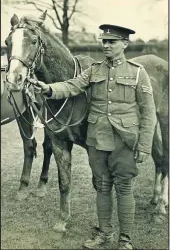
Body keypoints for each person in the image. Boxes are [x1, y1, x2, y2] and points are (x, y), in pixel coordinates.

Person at [30, 24, 156, 249]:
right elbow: (72, 86)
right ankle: (104, 233)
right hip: (97, 139)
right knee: (102, 185)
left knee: (124, 187)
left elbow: (148, 113)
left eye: (112, 42)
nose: (106, 45)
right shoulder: (94, 70)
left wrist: (144, 146)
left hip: (124, 140)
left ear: (125, 44)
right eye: (104, 41)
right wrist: (48, 89)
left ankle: (125, 239)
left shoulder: (138, 72)